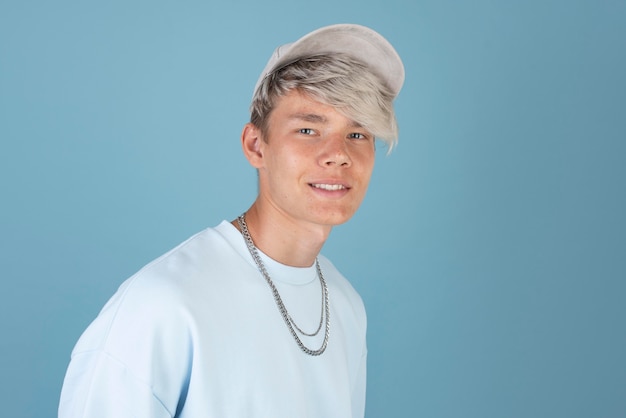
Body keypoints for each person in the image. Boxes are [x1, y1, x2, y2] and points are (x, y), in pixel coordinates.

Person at [59, 23, 404, 418]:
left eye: (358, 135)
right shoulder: (163, 305)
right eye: (308, 129)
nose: (337, 154)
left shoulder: (346, 306)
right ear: (256, 146)